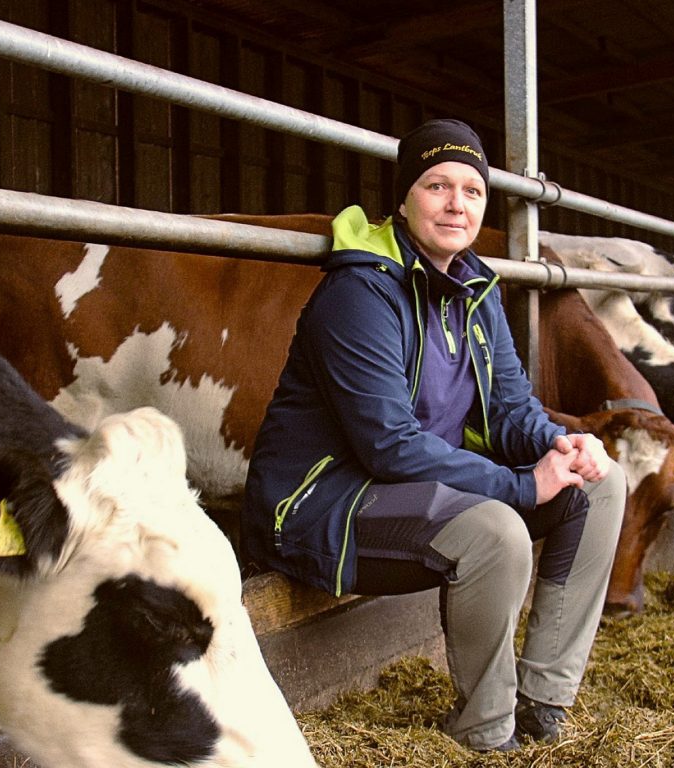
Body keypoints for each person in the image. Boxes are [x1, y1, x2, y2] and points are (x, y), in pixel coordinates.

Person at [242, 118, 625, 752]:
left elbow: (511, 409)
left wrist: (561, 447)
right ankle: (487, 733)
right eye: (437, 185)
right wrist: (520, 486)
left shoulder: (476, 290)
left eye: (472, 191)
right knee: (496, 531)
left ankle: (542, 704)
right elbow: (387, 444)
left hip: (415, 494)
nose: (456, 204)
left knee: (602, 487)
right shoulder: (360, 292)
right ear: (403, 200)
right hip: (323, 503)